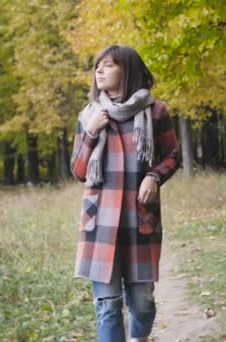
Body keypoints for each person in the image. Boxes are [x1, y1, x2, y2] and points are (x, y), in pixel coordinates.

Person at [70, 45, 180, 341]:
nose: (99, 71)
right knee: (107, 306)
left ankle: (139, 337)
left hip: (139, 220)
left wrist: (154, 177)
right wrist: (92, 133)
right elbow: (79, 171)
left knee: (142, 304)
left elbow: (172, 155)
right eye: (97, 66)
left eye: (108, 65)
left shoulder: (155, 112)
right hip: (99, 224)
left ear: (127, 70)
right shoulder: (89, 115)